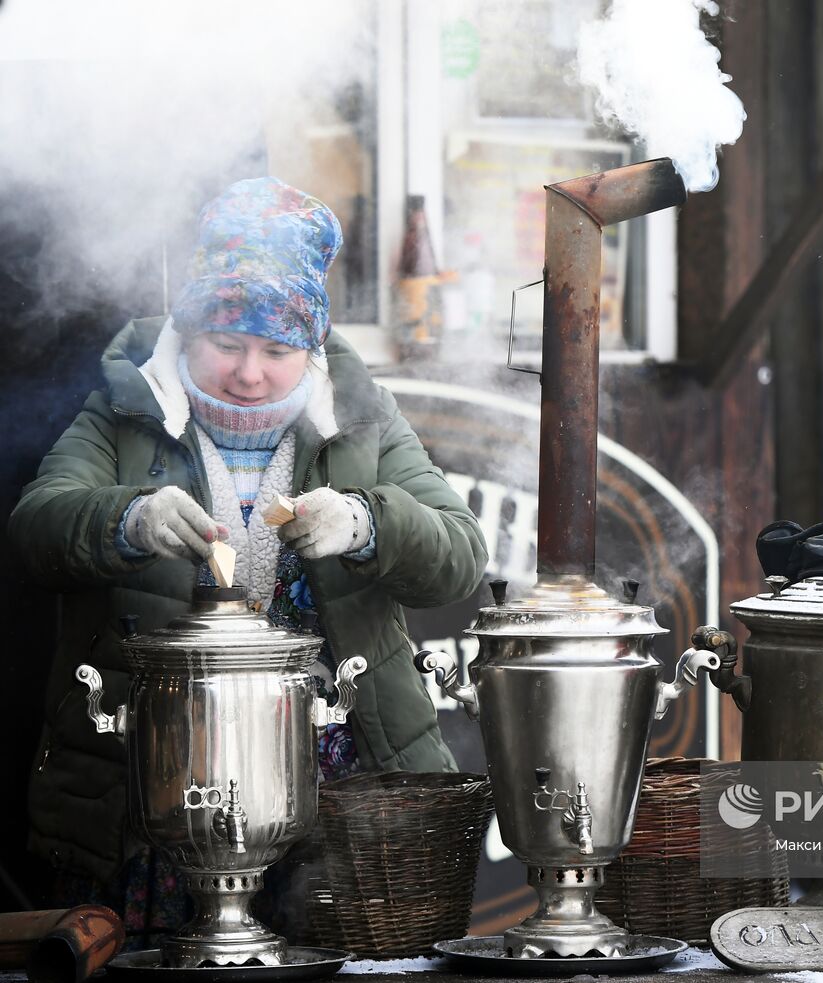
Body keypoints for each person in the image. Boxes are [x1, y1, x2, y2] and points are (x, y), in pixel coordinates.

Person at [9, 177, 488, 944]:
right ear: (188, 327)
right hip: (156, 786)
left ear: (313, 345)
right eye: (227, 343)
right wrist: (128, 517)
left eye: (278, 349)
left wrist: (368, 522)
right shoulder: (126, 406)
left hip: (341, 787)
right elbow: (35, 529)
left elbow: (461, 556)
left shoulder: (361, 418)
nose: (250, 372)